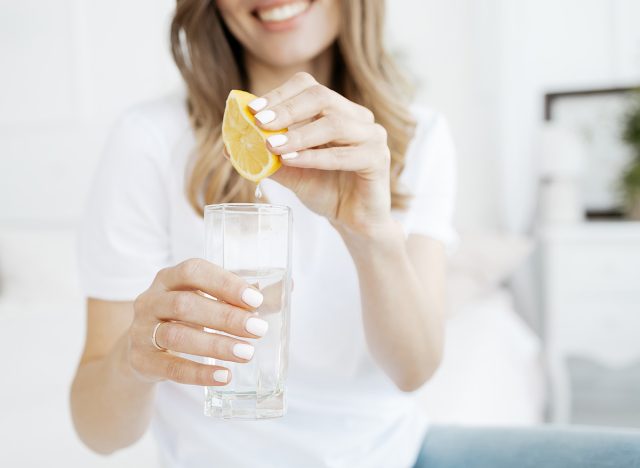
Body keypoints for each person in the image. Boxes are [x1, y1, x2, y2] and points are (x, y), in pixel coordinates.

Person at [70, 1, 640, 467]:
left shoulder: (420, 136)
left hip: (392, 456)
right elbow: (98, 431)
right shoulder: (148, 140)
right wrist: (134, 358)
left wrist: (369, 228)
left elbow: (414, 370)